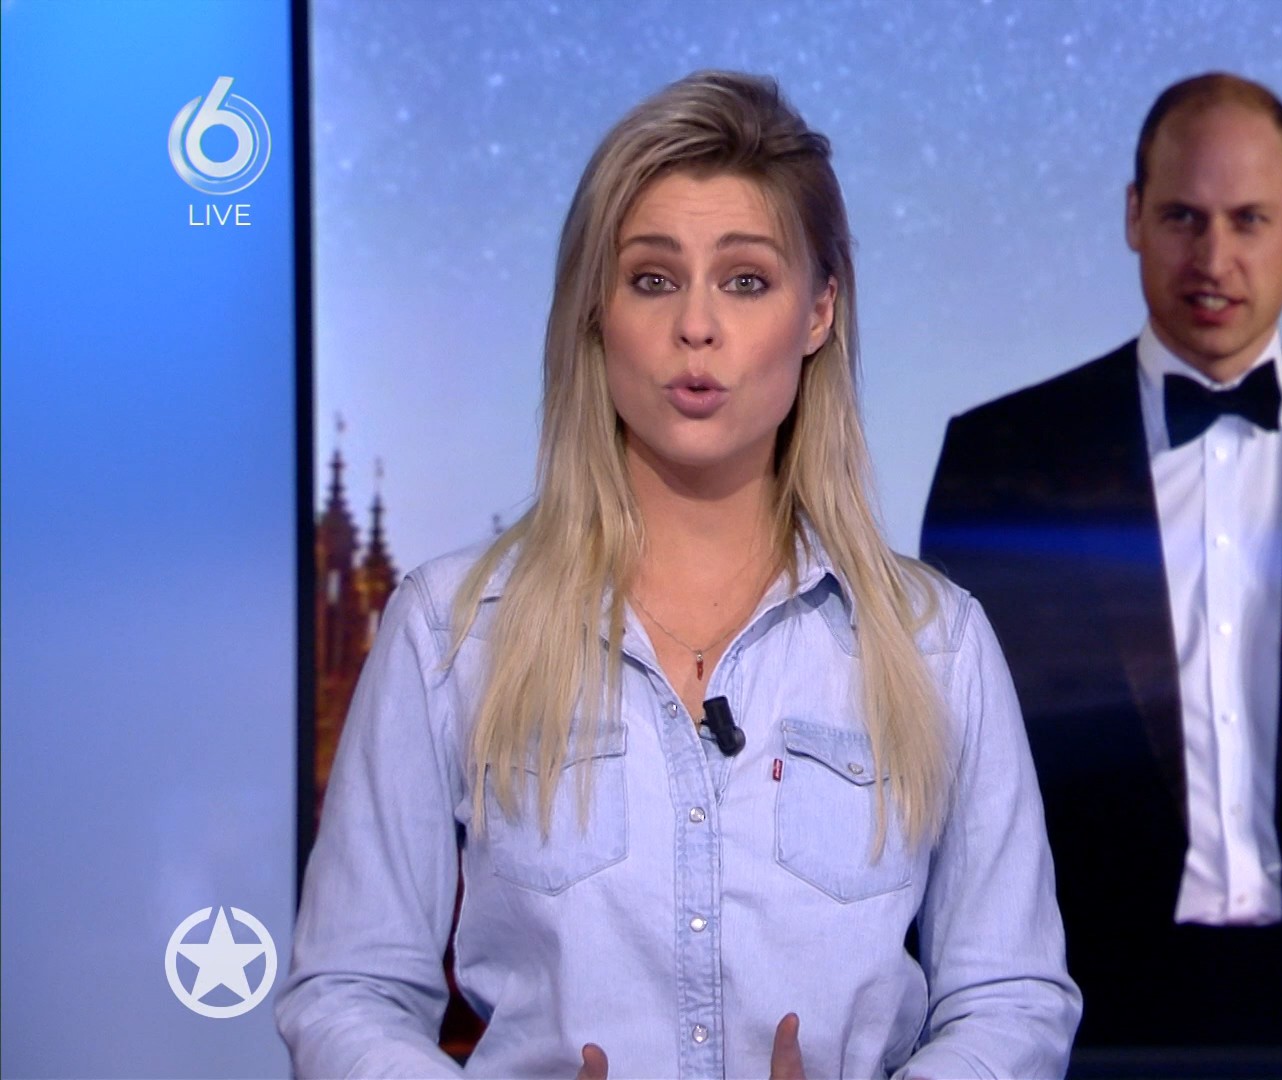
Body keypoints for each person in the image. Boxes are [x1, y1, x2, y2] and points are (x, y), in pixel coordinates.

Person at [277, 71, 1080, 1078]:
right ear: (596, 311)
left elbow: (1011, 999)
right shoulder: (451, 629)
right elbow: (346, 991)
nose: (696, 326)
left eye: (745, 281)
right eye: (653, 280)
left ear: (818, 312)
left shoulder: (935, 643)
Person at [919, 72, 1282, 1047]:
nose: (1214, 259)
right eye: (1183, 218)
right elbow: (946, 780)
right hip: (1090, 1012)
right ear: (1134, 218)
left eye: (1248, 220)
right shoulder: (1005, 455)